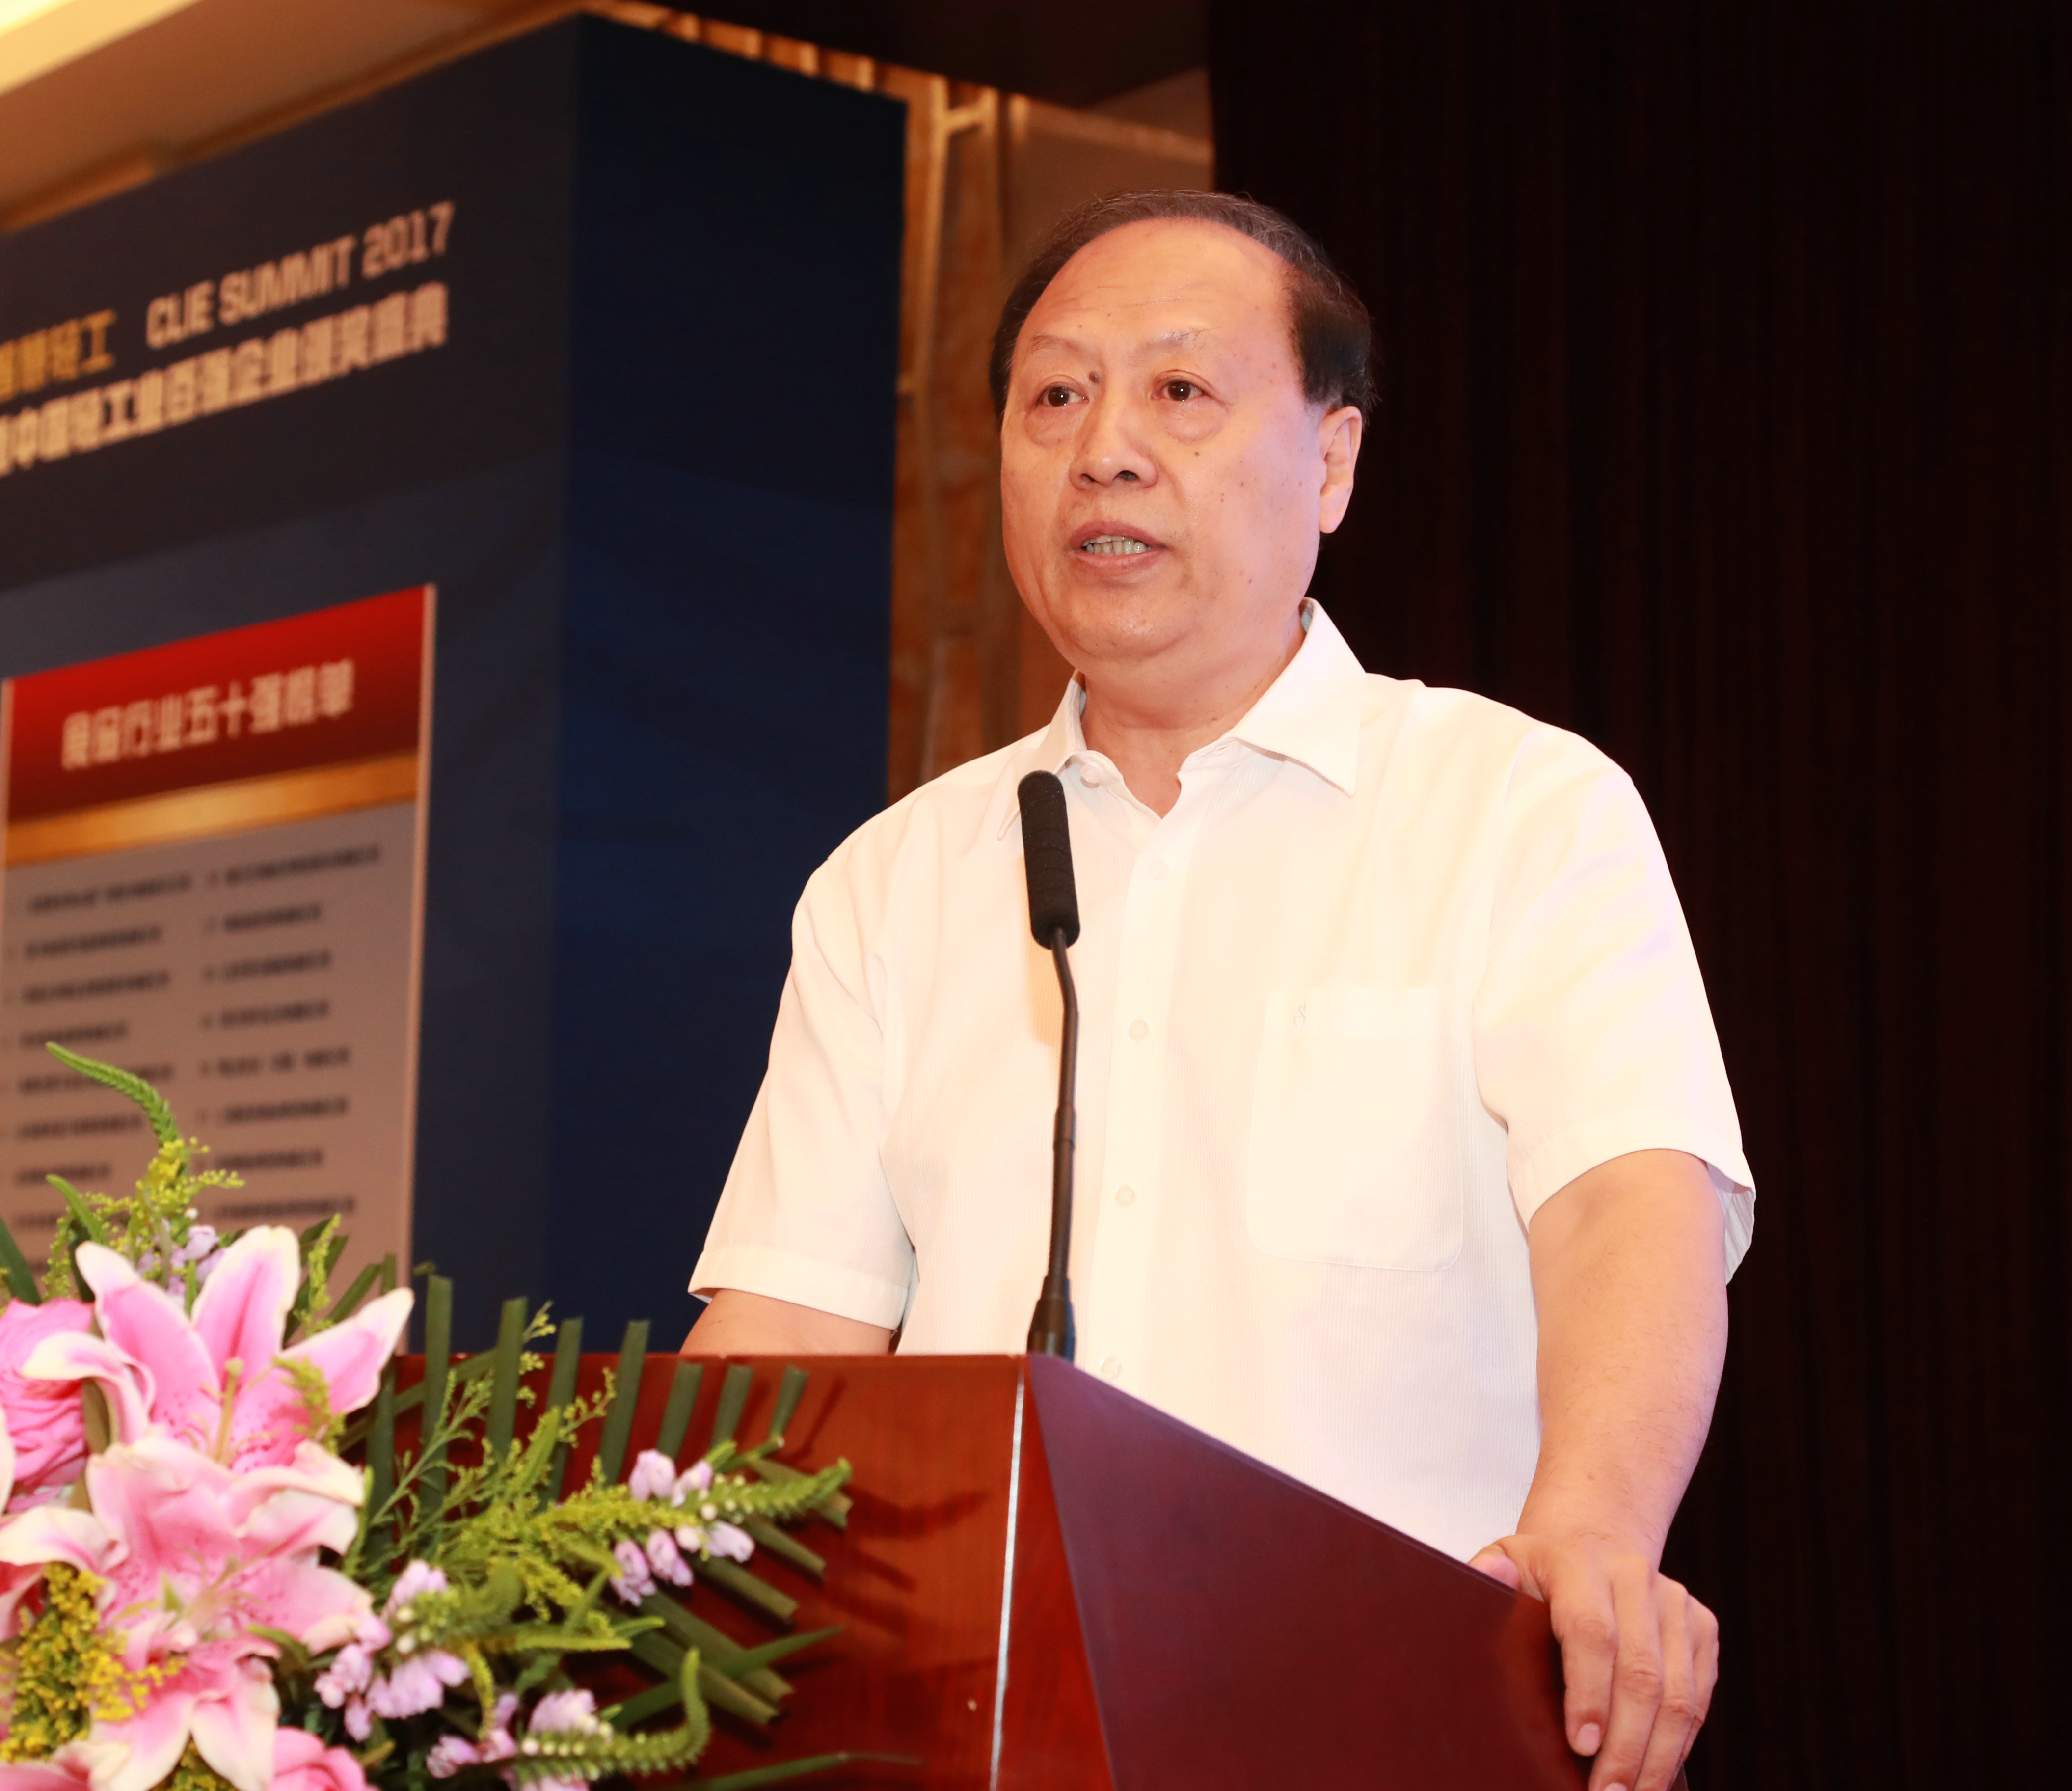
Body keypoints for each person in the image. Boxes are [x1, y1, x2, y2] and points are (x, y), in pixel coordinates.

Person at [682, 190, 1749, 1791]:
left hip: (1394, 1726)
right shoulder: (894, 883)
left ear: (1333, 462)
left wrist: (1594, 1531)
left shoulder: (1517, 808)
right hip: (964, 1730)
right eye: (1056, 396)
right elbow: (787, 1325)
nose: (1105, 450)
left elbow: (1629, 1204)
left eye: (1180, 390)